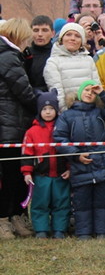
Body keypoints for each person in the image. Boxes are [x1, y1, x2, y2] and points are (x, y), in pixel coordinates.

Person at [54, 80, 105, 239]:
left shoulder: (100, 112)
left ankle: (103, 231)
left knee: (103, 201)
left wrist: (104, 93)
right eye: (86, 90)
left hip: (104, 165)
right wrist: (76, 155)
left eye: (93, 92)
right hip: (80, 166)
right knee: (82, 203)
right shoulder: (66, 116)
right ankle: (83, 232)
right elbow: (59, 139)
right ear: (79, 93)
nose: (89, 93)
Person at [0, 19, 39, 239]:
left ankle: (16, 215)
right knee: (12, 175)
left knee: (15, 174)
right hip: (9, 125)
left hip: (12, 123)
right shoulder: (8, 57)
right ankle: (5, 218)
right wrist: (40, 105)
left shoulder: (12, 56)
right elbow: (24, 91)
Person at [21, 90, 70, 239]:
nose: (48, 112)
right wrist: (27, 172)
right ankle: (41, 229)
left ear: (56, 110)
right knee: (40, 204)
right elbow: (26, 153)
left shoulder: (63, 127)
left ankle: (59, 230)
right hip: (41, 175)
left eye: (51, 109)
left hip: (60, 175)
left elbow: (70, 150)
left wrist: (70, 169)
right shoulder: (32, 131)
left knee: (62, 204)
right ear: (39, 111)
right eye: (44, 109)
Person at [42, 22, 99, 112]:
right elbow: (57, 92)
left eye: (77, 36)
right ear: (61, 38)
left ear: (82, 41)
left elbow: (96, 85)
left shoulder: (89, 60)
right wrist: (66, 113)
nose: (72, 38)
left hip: (90, 111)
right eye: (68, 34)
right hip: (68, 113)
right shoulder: (53, 62)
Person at [25, 15, 55, 92]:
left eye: (45, 30)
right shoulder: (25, 54)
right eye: (36, 30)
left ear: (52, 33)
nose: (40, 34)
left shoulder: (57, 53)